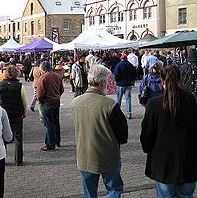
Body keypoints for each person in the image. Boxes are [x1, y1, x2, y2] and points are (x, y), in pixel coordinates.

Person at [71, 64, 128, 198]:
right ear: (102, 82)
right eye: (108, 81)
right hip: (108, 157)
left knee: (89, 193)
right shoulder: (110, 105)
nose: (109, 84)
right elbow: (123, 136)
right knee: (114, 189)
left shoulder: (75, 102)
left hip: (84, 156)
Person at [140, 65, 197, 198]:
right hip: (187, 159)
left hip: (163, 161)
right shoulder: (191, 100)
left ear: (162, 81)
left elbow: (146, 135)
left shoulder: (154, 104)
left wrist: (149, 150)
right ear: (180, 79)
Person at [0, 65, 27, 166]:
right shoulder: (20, 86)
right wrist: (24, 113)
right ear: (16, 73)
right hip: (17, 114)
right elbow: (24, 102)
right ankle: (18, 160)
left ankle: (2, 159)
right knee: (18, 137)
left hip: (3, 114)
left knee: (3, 137)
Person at [37, 61, 64, 151]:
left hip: (47, 103)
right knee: (56, 122)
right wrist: (57, 95)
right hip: (56, 101)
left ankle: (50, 144)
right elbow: (61, 89)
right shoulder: (57, 76)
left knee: (49, 124)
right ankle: (57, 141)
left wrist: (40, 102)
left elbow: (40, 94)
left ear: (43, 69)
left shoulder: (43, 78)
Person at [114, 53, 136, 119]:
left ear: (121, 58)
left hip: (120, 84)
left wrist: (117, 81)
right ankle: (129, 113)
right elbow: (134, 74)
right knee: (128, 99)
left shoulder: (118, 65)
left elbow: (116, 75)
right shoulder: (131, 65)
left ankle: (117, 114)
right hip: (128, 84)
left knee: (119, 99)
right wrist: (132, 81)